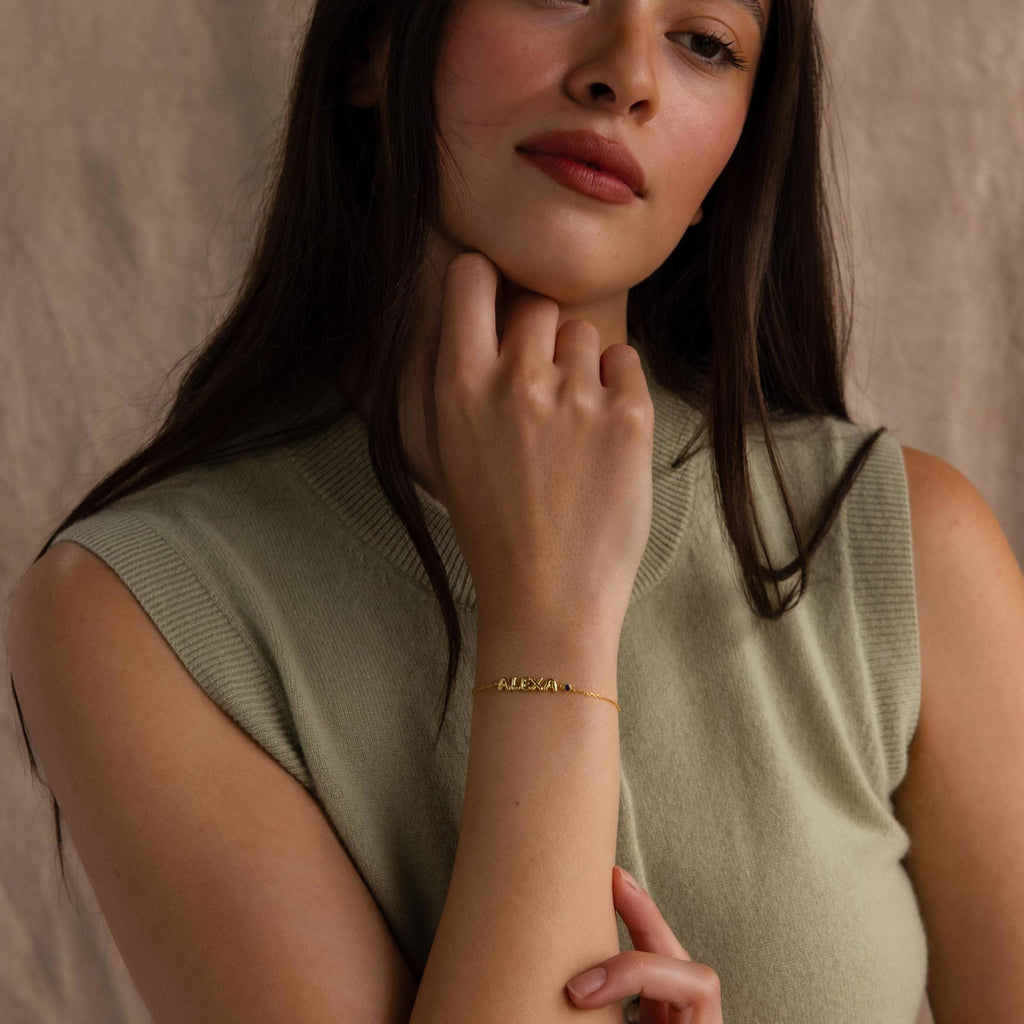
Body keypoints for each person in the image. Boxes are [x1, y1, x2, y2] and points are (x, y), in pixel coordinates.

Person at [8, 0, 1024, 1021]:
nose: (625, 74)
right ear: (375, 46)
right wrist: (549, 625)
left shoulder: (904, 551)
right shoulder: (136, 610)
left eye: (703, 42)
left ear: (737, 156)